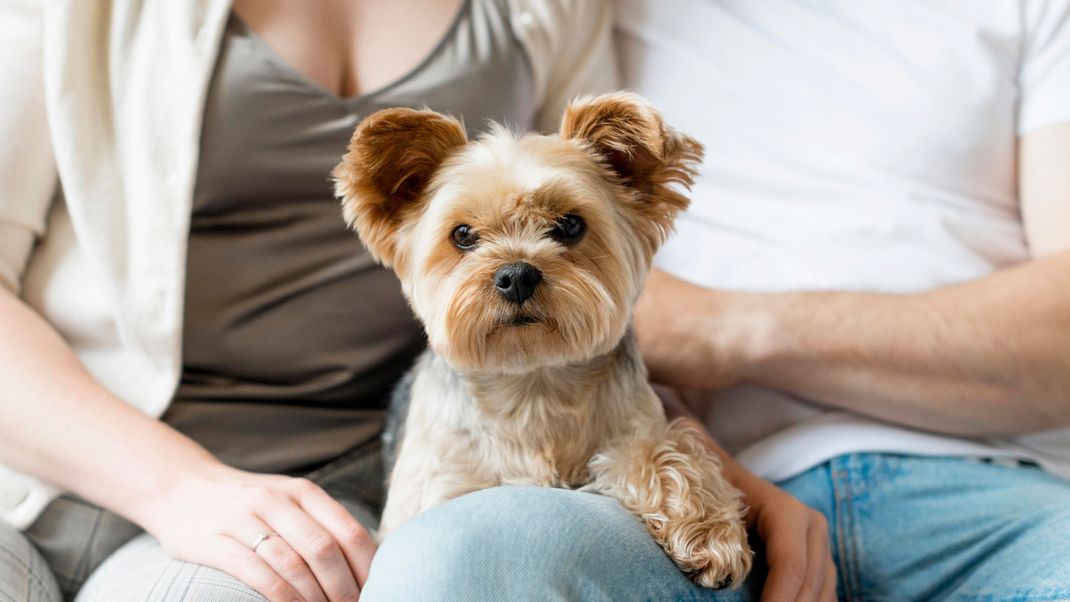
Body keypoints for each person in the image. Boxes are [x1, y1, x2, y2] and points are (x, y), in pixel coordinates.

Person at [0, 1, 729, 601]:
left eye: (555, 228)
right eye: (470, 236)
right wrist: (178, 489)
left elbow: (614, 264)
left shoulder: (550, 11)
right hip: (49, 456)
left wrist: (709, 470)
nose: (513, 270)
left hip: (328, 485)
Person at [618, 0, 1070, 599]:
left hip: (994, 499)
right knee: (502, 545)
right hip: (693, 493)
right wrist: (719, 473)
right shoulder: (577, 20)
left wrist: (723, 329)